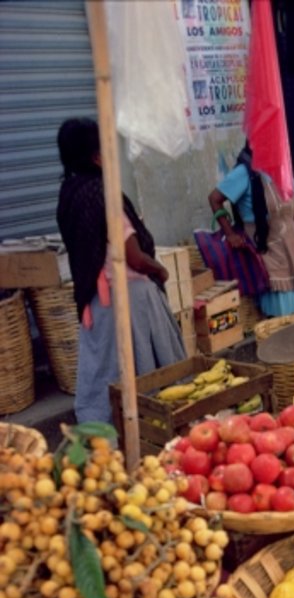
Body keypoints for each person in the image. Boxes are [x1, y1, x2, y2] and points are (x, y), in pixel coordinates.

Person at [56, 118, 186, 426]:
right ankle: (149, 428)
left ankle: (103, 435)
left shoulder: (70, 193)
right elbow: (135, 258)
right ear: (97, 156)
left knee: (103, 371)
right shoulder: (105, 196)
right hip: (130, 300)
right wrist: (161, 271)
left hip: (97, 301)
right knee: (150, 372)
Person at [207, 143, 294, 317]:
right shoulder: (244, 173)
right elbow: (214, 199)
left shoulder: (283, 169)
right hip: (268, 252)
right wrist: (229, 234)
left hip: (292, 251)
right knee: (279, 318)